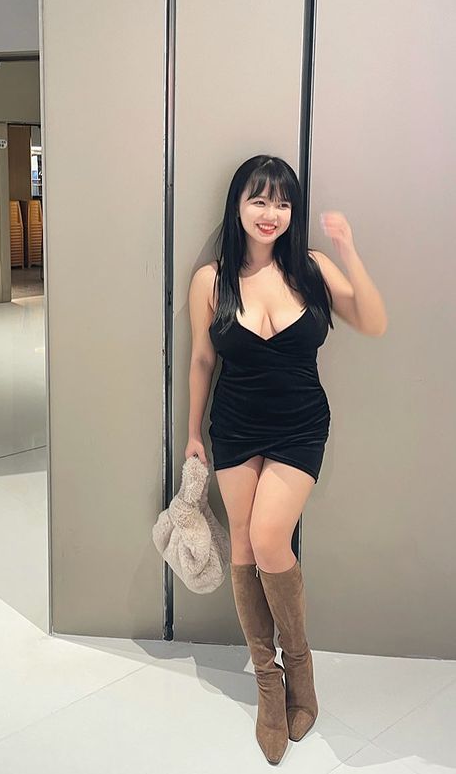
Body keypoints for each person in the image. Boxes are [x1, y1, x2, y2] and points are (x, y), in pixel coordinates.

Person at [185, 155, 387, 765]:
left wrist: (348, 248)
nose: (270, 213)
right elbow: (202, 359)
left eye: (282, 202)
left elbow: (374, 322)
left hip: (300, 426)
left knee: (271, 539)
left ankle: (301, 669)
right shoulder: (211, 280)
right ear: (238, 206)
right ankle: (269, 685)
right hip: (234, 425)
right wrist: (193, 433)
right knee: (244, 547)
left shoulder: (312, 269)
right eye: (259, 199)